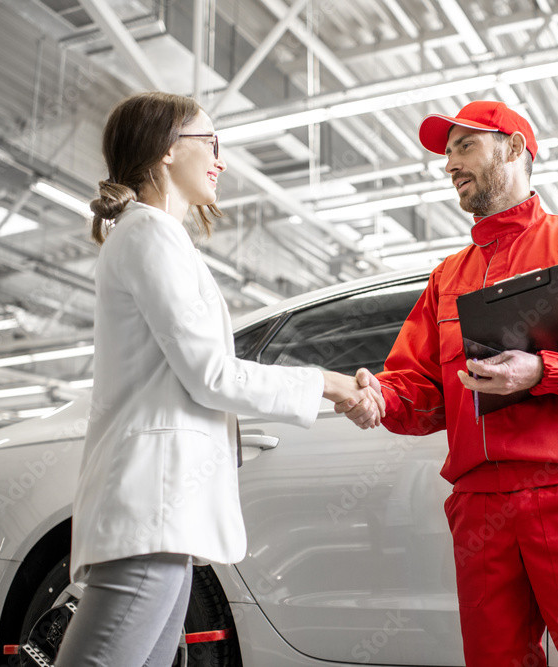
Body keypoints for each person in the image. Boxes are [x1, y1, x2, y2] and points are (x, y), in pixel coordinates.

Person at [57, 91, 383, 667]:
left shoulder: (153, 236)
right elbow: (211, 374)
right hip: (150, 511)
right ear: (164, 150)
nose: (221, 160)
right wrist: (329, 384)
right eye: (210, 142)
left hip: (162, 516)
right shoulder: (149, 235)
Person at [347, 101, 558, 666]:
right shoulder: (447, 278)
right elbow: (421, 391)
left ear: (515, 148)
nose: (449, 164)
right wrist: (380, 399)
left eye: (464, 146)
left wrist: (544, 369)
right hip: (478, 508)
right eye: (446, 154)